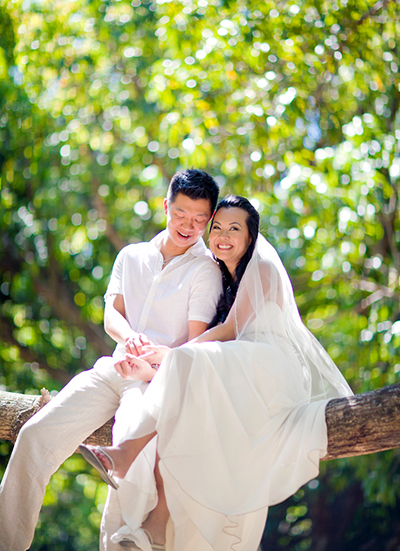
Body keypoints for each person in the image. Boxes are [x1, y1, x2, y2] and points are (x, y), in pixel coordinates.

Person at [81, 195, 353, 551]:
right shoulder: (220, 273)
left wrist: (167, 355)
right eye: (218, 228)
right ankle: (157, 524)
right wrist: (157, 362)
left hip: (268, 363)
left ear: (251, 236)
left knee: (186, 363)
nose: (223, 235)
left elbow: (229, 329)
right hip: (237, 361)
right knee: (184, 400)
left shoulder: (264, 269)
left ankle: (125, 455)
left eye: (234, 229)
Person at [0, 169, 223, 551]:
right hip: (112, 369)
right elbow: (111, 316)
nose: (189, 225)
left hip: (157, 381)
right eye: (181, 214)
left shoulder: (206, 270)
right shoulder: (131, 256)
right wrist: (129, 337)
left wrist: (150, 364)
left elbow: (192, 342)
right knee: (36, 436)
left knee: (129, 460)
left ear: (209, 218)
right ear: (166, 206)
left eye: (200, 219)